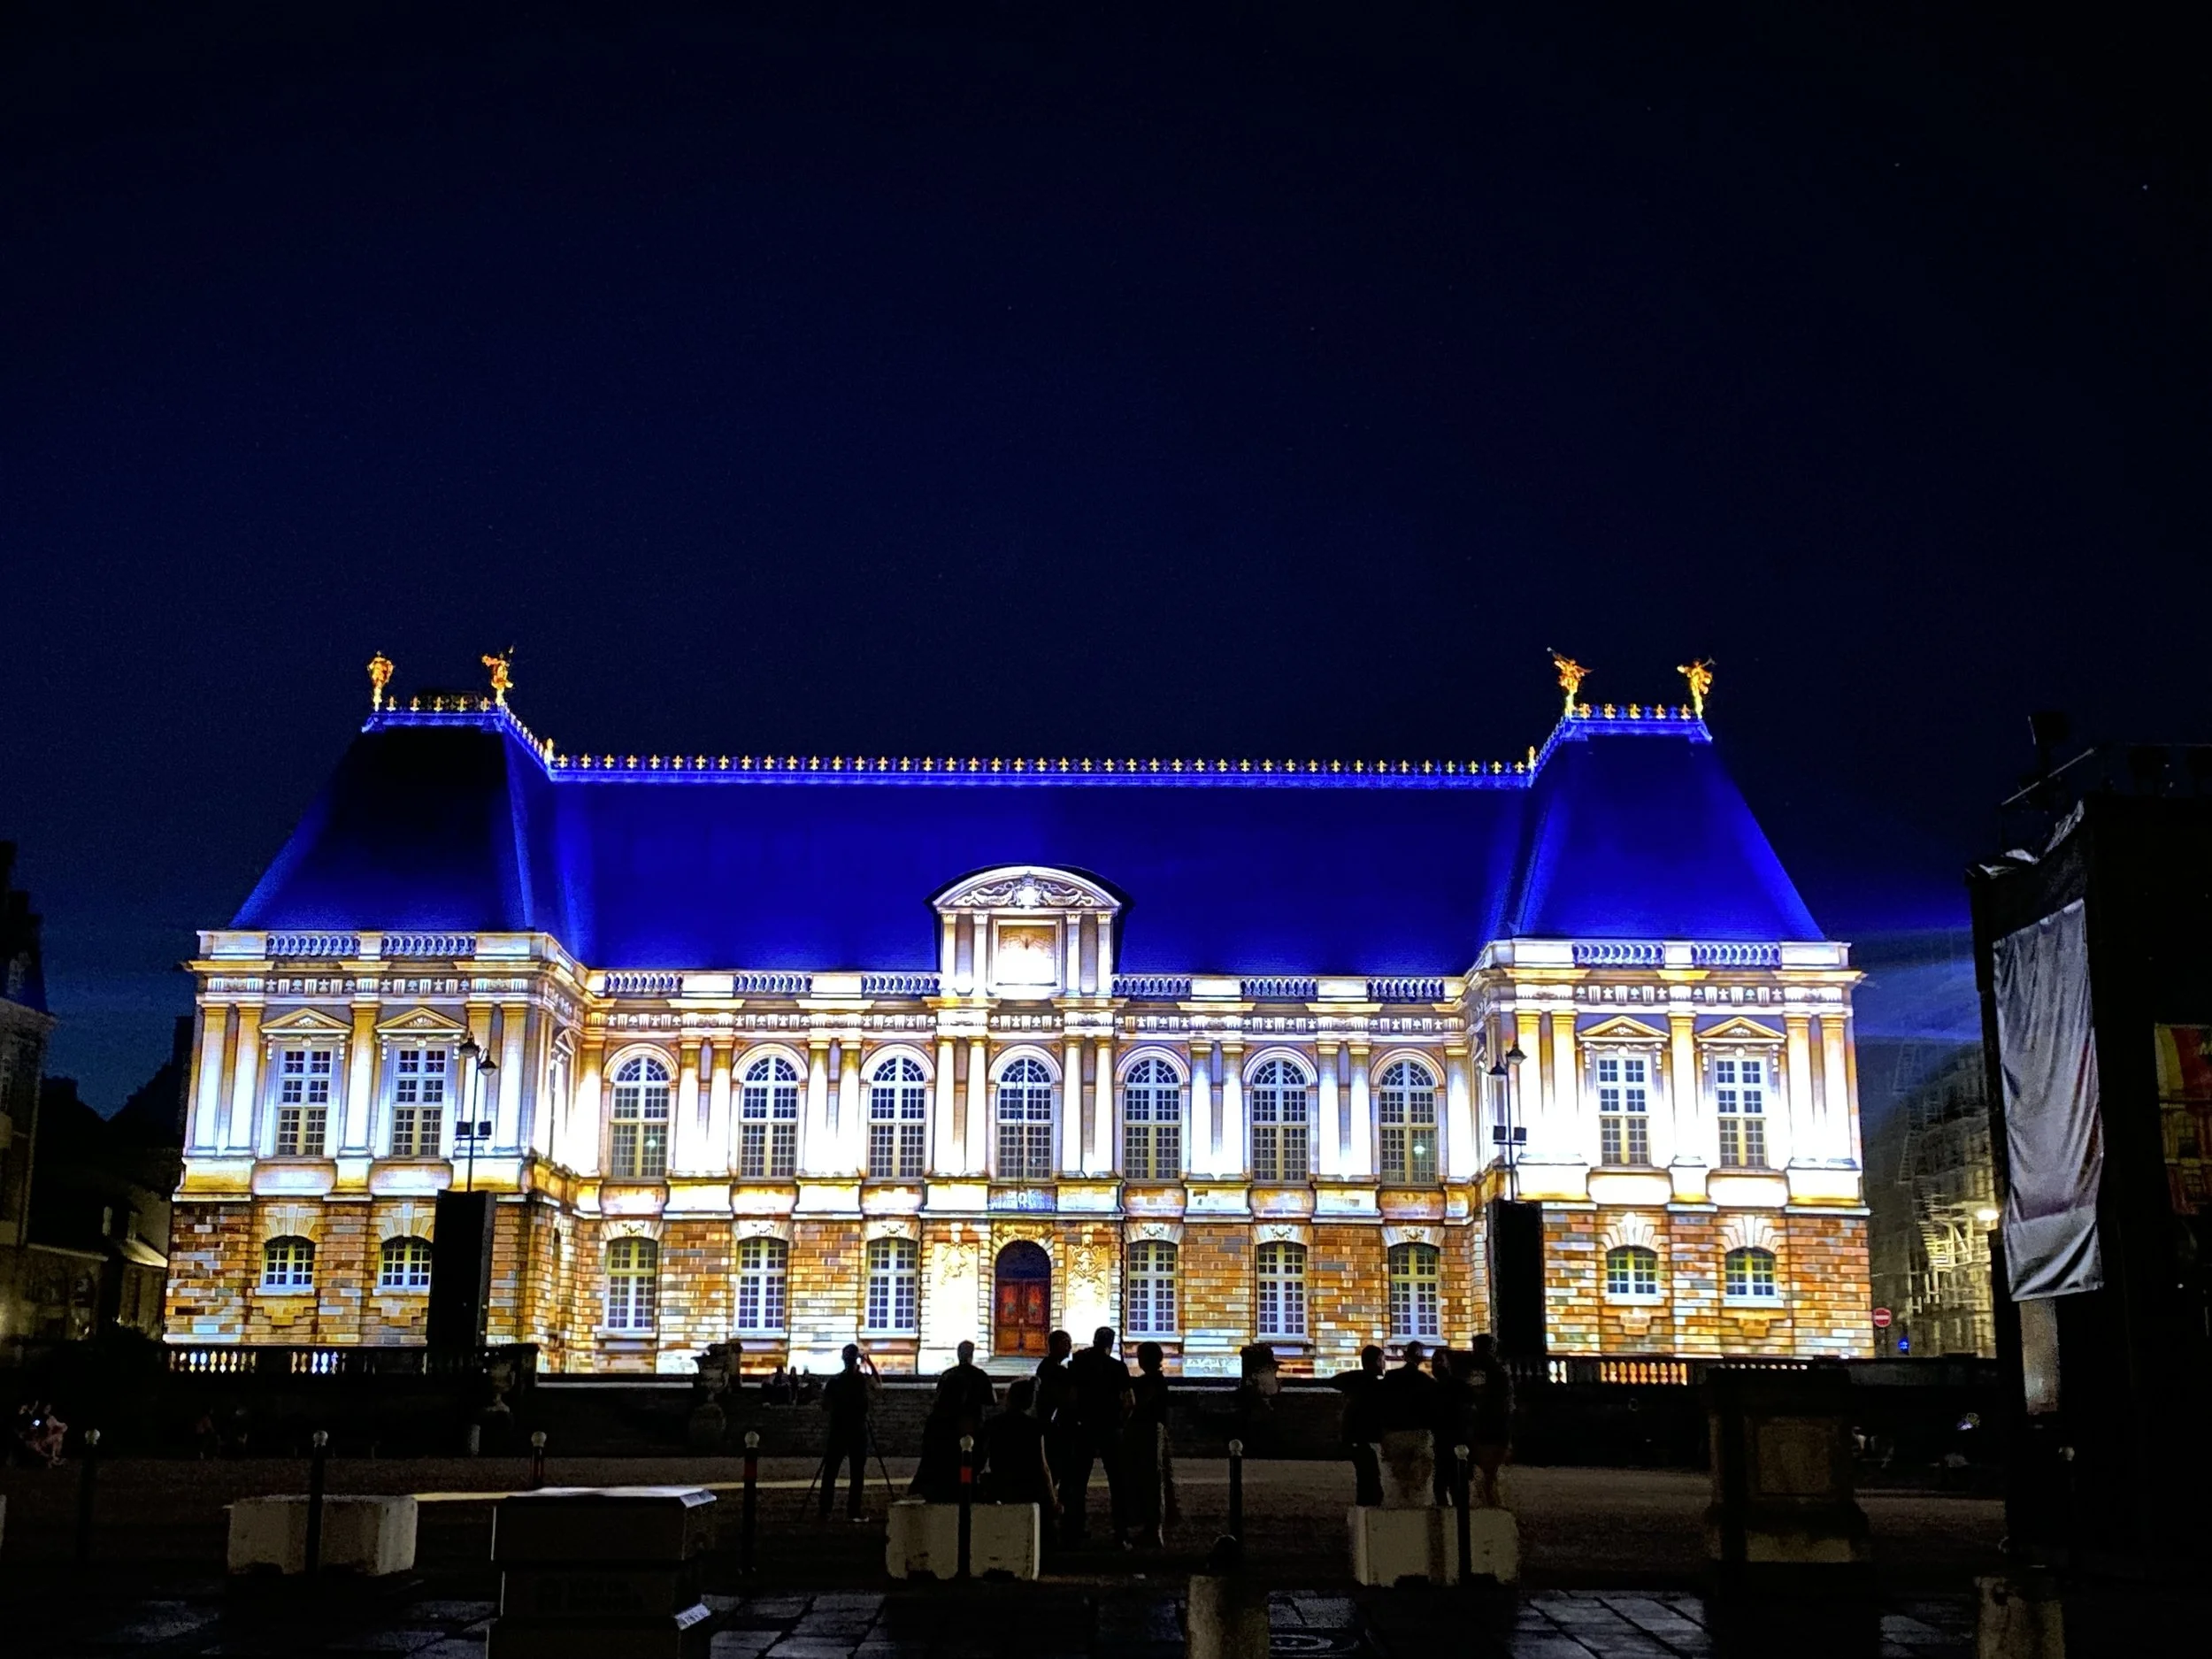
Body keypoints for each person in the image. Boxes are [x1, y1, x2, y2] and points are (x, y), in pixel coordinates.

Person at [1063, 1325, 1133, 1544]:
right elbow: (1130, 1401)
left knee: (1078, 1481)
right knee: (1118, 1482)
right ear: (1110, 1344)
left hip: (1085, 1426)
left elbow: (1072, 1397)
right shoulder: (1118, 1367)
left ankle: (1075, 1528)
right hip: (1111, 1427)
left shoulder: (1079, 1365)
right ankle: (1121, 1532)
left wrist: (1076, 1419)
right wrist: (1122, 1421)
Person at [912, 1340, 995, 1500]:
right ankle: (966, 1489)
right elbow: (992, 1400)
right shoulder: (979, 1375)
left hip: (952, 1431)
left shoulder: (947, 1376)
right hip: (972, 1426)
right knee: (968, 1462)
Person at [982, 1378, 1060, 1521]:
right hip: (1028, 1486)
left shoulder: (993, 1424)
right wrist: (1052, 1499)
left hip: (1002, 1484)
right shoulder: (1034, 1427)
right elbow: (1043, 1466)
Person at [1120, 1341, 1172, 1547]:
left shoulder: (1150, 1382)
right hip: (1153, 1431)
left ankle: (1153, 1529)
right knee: (1151, 1480)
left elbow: (1139, 1404)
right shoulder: (1156, 1380)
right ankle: (1152, 1527)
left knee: (1150, 1480)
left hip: (1148, 1432)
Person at [818, 1345, 877, 1521]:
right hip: (857, 1430)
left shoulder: (835, 1381)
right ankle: (853, 1510)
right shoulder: (862, 1380)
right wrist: (869, 1363)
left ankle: (825, 1510)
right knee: (857, 1473)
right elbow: (878, 1385)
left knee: (830, 1471)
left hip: (839, 1429)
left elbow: (825, 1405)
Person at [1378, 1340, 1440, 1505]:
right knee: (1419, 1479)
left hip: (1395, 1432)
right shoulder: (1427, 1382)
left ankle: (1402, 1504)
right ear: (1421, 1359)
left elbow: (1381, 1404)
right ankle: (1416, 1505)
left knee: (1398, 1476)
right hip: (1420, 1433)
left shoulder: (1391, 1377)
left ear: (1405, 1356)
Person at [1331, 1345, 1386, 1504]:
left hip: (1356, 1437)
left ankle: (1366, 1504)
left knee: (1367, 1475)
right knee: (1369, 1476)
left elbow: (1334, 1381)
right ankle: (1367, 1505)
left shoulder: (1358, 1382)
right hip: (1362, 1438)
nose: (1384, 1364)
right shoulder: (1372, 1385)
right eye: (1381, 1360)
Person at [1464, 1334, 1514, 1507]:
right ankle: (1494, 1505)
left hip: (1483, 1428)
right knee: (1491, 1474)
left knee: (1486, 1474)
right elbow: (1507, 1404)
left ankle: (1491, 1506)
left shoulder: (1477, 1371)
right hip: (1495, 1428)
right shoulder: (1499, 1371)